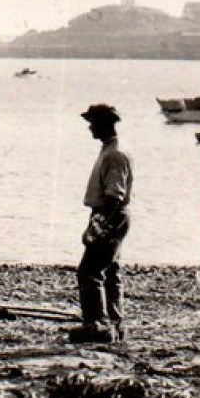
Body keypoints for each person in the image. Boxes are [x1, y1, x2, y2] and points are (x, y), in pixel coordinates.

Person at [74, 103, 133, 344]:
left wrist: (100, 224)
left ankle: (97, 324)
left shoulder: (115, 154)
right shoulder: (111, 150)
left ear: (103, 124)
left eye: (93, 122)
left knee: (89, 271)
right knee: (110, 271)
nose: (89, 127)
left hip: (111, 214)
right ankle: (114, 324)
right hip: (112, 215)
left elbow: (114, 196)